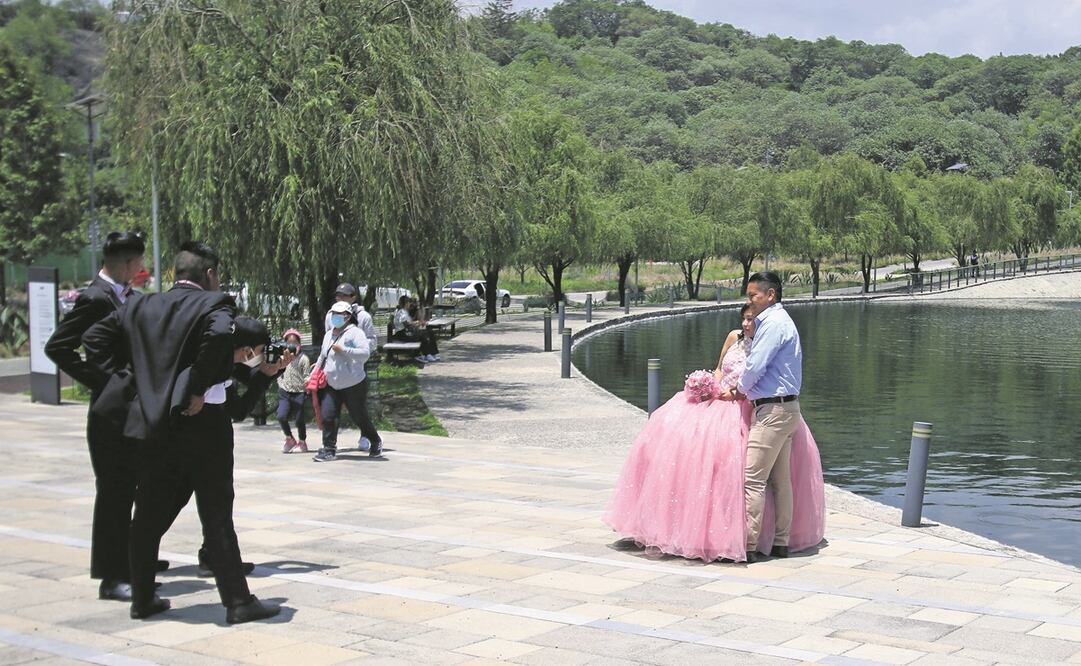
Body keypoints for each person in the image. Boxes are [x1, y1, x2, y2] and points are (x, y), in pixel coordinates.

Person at [82, 241, 279, 624]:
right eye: (216, 275)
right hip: (203, 427)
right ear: (208, 275)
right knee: (216, 513)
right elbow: (221, 335)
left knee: (149, 513)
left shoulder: (139, 306)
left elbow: (94, 341)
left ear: (174, 274)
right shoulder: (213, 305)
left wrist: (137, 386)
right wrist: (196, 388)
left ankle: (142, 598)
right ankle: (237, 601)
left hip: (155, 424)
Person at [604, 303, 824, 563]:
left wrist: (732, 394)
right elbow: (719, 367)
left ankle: (754, 540)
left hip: (748, 407)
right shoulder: (734, 337)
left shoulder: (767, 342)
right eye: (744, 318)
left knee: (753, 477)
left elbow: (756, 378)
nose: (745, 324)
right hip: (721, 400)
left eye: (751, 320)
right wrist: (711, 385)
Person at [44, 231, 155, 602]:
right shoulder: (94, 297)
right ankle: (111, 577)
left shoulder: (129, 296)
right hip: (110, 412)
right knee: (114, 492)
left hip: (132, 408)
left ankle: (129, 562)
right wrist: (105, 382)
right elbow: (59, 347)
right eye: (139, 262)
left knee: (133, 487)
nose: (142, 268)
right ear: (126, 263)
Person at [733, 271, 805, 562]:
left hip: (772, 410)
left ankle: (748, 545)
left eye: (753, 295)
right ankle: (780, 542)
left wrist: (737, 390)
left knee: (753, 479)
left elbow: (755, 365)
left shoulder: (772, 323)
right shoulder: (782, 320)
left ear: (771, 294)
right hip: (788, 408)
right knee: (780, 480)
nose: (750, 301)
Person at [312, 301, 382, 462]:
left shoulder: (355, 333)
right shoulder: (329, 334)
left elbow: (364, 354)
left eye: (339, 314)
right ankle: (329, 448)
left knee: (359, 416)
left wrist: (344, 350)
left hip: (354, 384)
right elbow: (322, 356)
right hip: (332, 383)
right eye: (333, 314)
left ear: (348, 316)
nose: (335, 317)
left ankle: (375, 440)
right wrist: (315, 373)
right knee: (328, 415)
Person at [277, 328, 311, 453]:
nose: (292, 346)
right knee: (281, 416)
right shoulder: (281, 357)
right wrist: (280, 383)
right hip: (284, 391)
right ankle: (289, 438)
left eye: (295, 343)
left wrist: (308, 382)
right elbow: (277, 371)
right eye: (289, 343)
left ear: (299, 344)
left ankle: (302, 442)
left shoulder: (303, 359)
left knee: (299, 419)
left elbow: (306, 374)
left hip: (299, 392)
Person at [325, 282, 377, 351]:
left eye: (344, 296)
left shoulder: (364, 317)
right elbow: (328, 339)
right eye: (338, 296)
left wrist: (354, 345)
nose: (340, 298)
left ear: (353, 298)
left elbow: (373, 342)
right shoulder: (330, 316)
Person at [392, 295, 439, 363]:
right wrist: (418, 323)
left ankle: (432, 354)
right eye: (409, 302)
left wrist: (418, 323)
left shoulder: (403, 311)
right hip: (402, 334)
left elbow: (409, 324)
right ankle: (423, 355)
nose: (410, 304)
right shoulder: (402, 312)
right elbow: (407, 325)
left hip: (404, 333)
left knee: (429, 332)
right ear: (406, 303)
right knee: (421, 336)